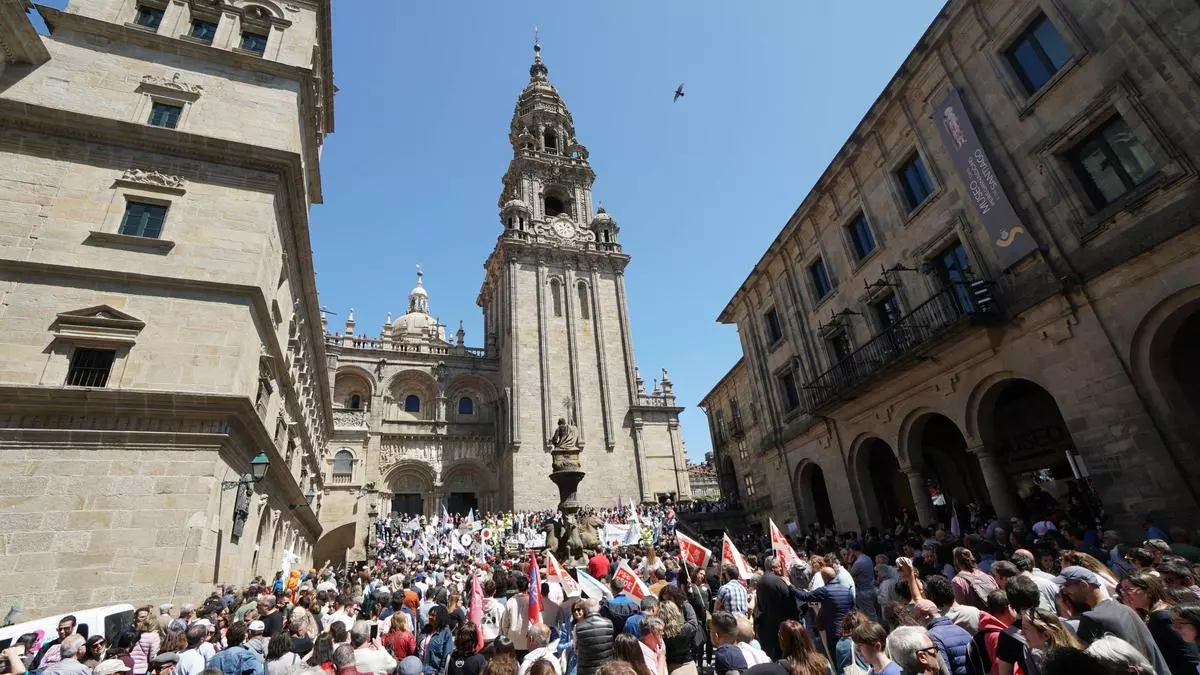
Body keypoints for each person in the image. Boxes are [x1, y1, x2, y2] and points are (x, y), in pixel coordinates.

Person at [1057, 566, 1171, 674]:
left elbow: (1089, 665)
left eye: (1066, 586)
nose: (1065, 591)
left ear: (1083, 585)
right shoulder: (1126, 609)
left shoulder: (1092, 618)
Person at [1120, 571, 1200, 675]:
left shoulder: (1162, 617)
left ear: (1148, 590)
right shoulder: (1151, 615)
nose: (1125, 595)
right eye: (1123, 591)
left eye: (1128, 590)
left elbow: (1190, 656)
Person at [787, 567, 855, 655]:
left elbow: (804, 596)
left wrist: (790, 585)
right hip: (849, 629)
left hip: (833, 631)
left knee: (835, 655)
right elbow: (853, 609)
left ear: (824, 577)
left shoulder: (824, 591)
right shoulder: (847, 590)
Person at [755, 556, 800, 660]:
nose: (781, 568)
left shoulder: (760, 581)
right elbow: (790, 600)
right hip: (783, 621)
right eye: (779, 566)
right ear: (773, 567)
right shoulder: (779, 581)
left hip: (770, 623)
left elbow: (760, 605)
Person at [914, 599, 972, 675]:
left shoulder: (931, 637)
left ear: (925, 616)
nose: (918, 623)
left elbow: (945, 670)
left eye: (917, 618)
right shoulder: (962, 630)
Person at [575, 598, 615, 675]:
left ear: (585, 610)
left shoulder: (579, 626)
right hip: (605, 669)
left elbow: (576, 649)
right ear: (598, 608)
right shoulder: (609, 623)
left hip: (586, 670)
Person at [950, 548, 997, 613]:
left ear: (956, 561)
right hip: (995, 615)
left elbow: (961, 609)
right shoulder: (987, 576)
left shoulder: (957, 581)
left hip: (977, 619)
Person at [657, 600, 696, 675]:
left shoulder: (660, 634)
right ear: (676, 612)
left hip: (670, 668)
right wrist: (686, 603)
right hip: (689, 666)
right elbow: (693, 621)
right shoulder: (687, 628)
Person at [501, 575, 532, 656]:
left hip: (513, 640)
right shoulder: (531, 602)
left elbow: (505, 624)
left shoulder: (510, 601)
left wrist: (507, 635)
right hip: (527, 640)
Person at [421, 606, 453, 675]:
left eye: (433, 615)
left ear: (440, 617)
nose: (429, 617)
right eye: (429, 614)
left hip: (432, 672)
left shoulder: (446, 633)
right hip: (419, 669)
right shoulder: (425, 628)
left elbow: (446, 657)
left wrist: (440, 673)